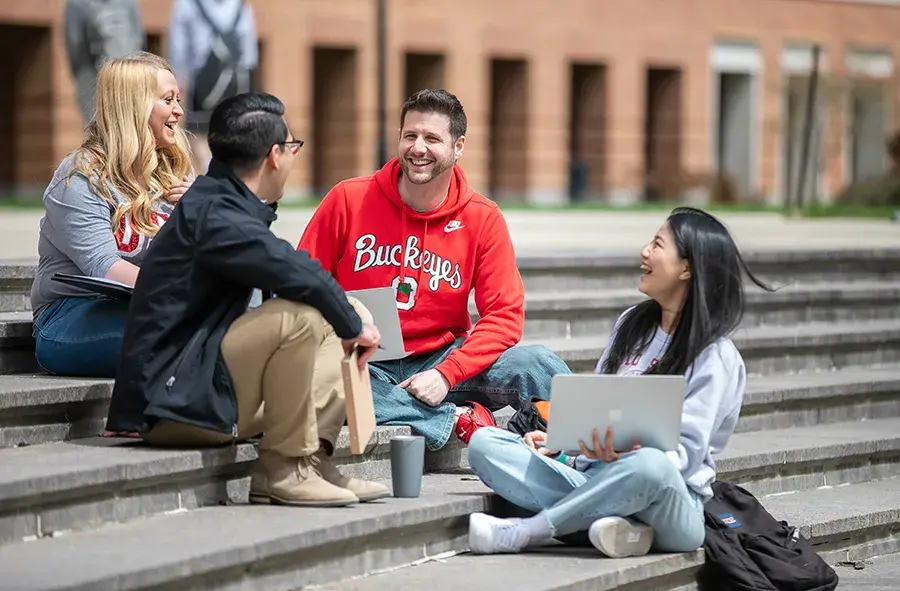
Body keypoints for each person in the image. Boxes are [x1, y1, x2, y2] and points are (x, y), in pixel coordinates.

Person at [106, 92, 390, 507]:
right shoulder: (214, 214)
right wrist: (351, 325)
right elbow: (294, 270)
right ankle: (284, 470)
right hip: (172, 404)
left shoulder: (227, 203)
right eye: (293, 147)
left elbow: (294, 270)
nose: (294, 156)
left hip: (203, 384)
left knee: (347, 309)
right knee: (304, 316)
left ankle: (312, 463)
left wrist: (351, 319)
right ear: (275, 155)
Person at [465, 207, 775, 558]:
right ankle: (616, 525)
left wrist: (627, 453)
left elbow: (684, 458)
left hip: (671, 501)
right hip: (598, 475)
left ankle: (529, 531)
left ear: (687, 268)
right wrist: (564, 444)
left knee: (650, 467)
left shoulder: (715, 356)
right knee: (485, 444)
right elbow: (602, 409)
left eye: (658, 245)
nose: (645, 252)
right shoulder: (632, 325)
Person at [297, 89, 571, 452]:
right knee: (329, 385)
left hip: (444, 358)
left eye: (431, 138)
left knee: (535, 362)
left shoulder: (482, 217)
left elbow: (504, 316)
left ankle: (604, 444)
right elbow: (302, 280)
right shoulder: (348, 199)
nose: (418, 148)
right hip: (365, 358)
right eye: (409, 135)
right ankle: (456, 421)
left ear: (458, 147)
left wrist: (446, 373)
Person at [30, 52, 193, 378]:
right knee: (191, 336)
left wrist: (202, 214)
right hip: (71, 316)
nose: (179, 110)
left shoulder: (168, 177)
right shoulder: (80, 177)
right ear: (133, 106)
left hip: (149, 308)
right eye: (168, 99)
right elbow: (103, 266)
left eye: (178, 99)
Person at [167, 0, 258, 175]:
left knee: (198, 133)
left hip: (204, 80)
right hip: (236, 79)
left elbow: (178, 47)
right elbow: (249, 50)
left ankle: (213, 172)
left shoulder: (187, 4)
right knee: (233, 130)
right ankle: (229, 175)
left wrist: (178, 81)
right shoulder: (239, 4)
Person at [64, 0, 145, 125]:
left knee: (97, 129)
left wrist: (81, 76)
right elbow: (140, 40)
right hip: (130, 75)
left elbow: (75, 43)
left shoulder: (77, 3)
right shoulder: (129, 3)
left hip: (93, 73)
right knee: (129, 124)